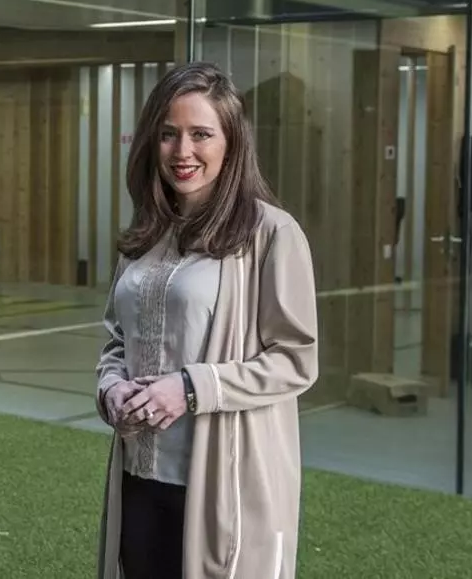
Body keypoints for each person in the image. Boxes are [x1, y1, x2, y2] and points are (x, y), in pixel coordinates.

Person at [94, 61, 318, 579]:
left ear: (231, 142)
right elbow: (116, 339)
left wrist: (191, 388)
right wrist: (111, 389)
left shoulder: (272, 234)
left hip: (222, 483)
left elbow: (295, 361)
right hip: (139, 474)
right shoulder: (147, 232)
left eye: (201, 134)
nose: (183, 151)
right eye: (168, 134)